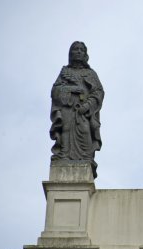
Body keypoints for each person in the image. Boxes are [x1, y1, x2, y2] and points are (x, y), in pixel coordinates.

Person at [50, 41, 104, 178]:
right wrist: (73, 89)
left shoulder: (90, 73)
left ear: (85, 54)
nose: (78, 51)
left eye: (81, 49)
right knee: (66, 130)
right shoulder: (65, 72)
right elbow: (55, 91)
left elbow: (98, 92)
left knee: (85, 133)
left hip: (84, 112)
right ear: (70, 53)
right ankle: (64, 157)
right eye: (75, 49)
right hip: (67, 109)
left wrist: (87, 106)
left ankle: (86, 160)